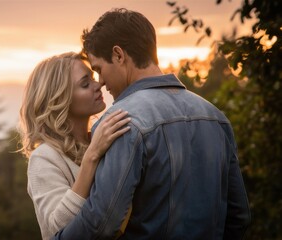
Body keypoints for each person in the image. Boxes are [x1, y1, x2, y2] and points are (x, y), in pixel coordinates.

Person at [54, 8, 251, 239]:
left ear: (119, 55)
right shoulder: (216, 117)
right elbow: (239, 217)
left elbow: (102, 224)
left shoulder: (120, 122)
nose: (101, 82)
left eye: (99, 69)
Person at [19, 52, 131, 239]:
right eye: (85, 84)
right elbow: (58, 228)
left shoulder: (103, 140)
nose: (98, 85)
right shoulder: (44, 158)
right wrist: (92, 156)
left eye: (93, 78)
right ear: (60, 100)